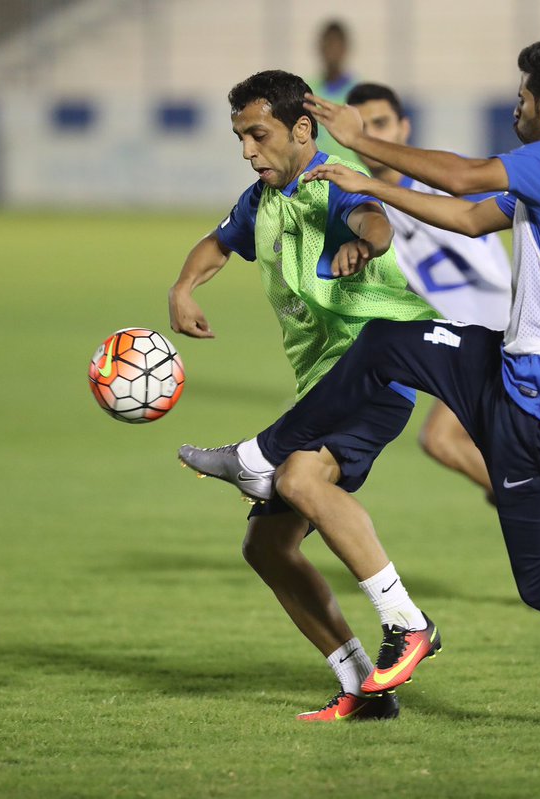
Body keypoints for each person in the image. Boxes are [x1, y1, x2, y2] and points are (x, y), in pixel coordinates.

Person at [181, 39, 540, 735]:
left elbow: (461, 180)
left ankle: (259, 457)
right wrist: (372, 187)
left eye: (520, 96)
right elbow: (467, 215)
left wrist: (367, 145)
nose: (514, 106)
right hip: (530, 382)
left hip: (532, 401)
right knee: (393, 348)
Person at [169, 69, 444, 722]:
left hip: (373, 372)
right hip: (317, 389)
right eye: (239, 137)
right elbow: (217, 243)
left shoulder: (331, 182)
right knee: (266, 547)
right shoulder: (258, 202)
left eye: (257, 135)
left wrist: (359, 243)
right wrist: (184, 287)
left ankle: (407, 622)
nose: (247, 150)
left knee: (300, 478)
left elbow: (375, 221)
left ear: (301, 130)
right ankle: (361, 686)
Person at [346, 80, 540, 607]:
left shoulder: (437, 184)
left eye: (379, 124)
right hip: (463, 335)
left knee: (450, 444)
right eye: (361, 126)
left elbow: (465, 191)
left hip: (499, 330)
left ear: (403, 129)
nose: (368, 134)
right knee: (487, 461)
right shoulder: (365, 199)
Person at [308, 20, 363, 168]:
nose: (332, 50)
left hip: (352, 177)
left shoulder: (360, 92)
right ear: (320, 48)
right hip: (316, 178)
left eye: (336, 44)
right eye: (328, 44)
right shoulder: (306, 89)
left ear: (345, 48)